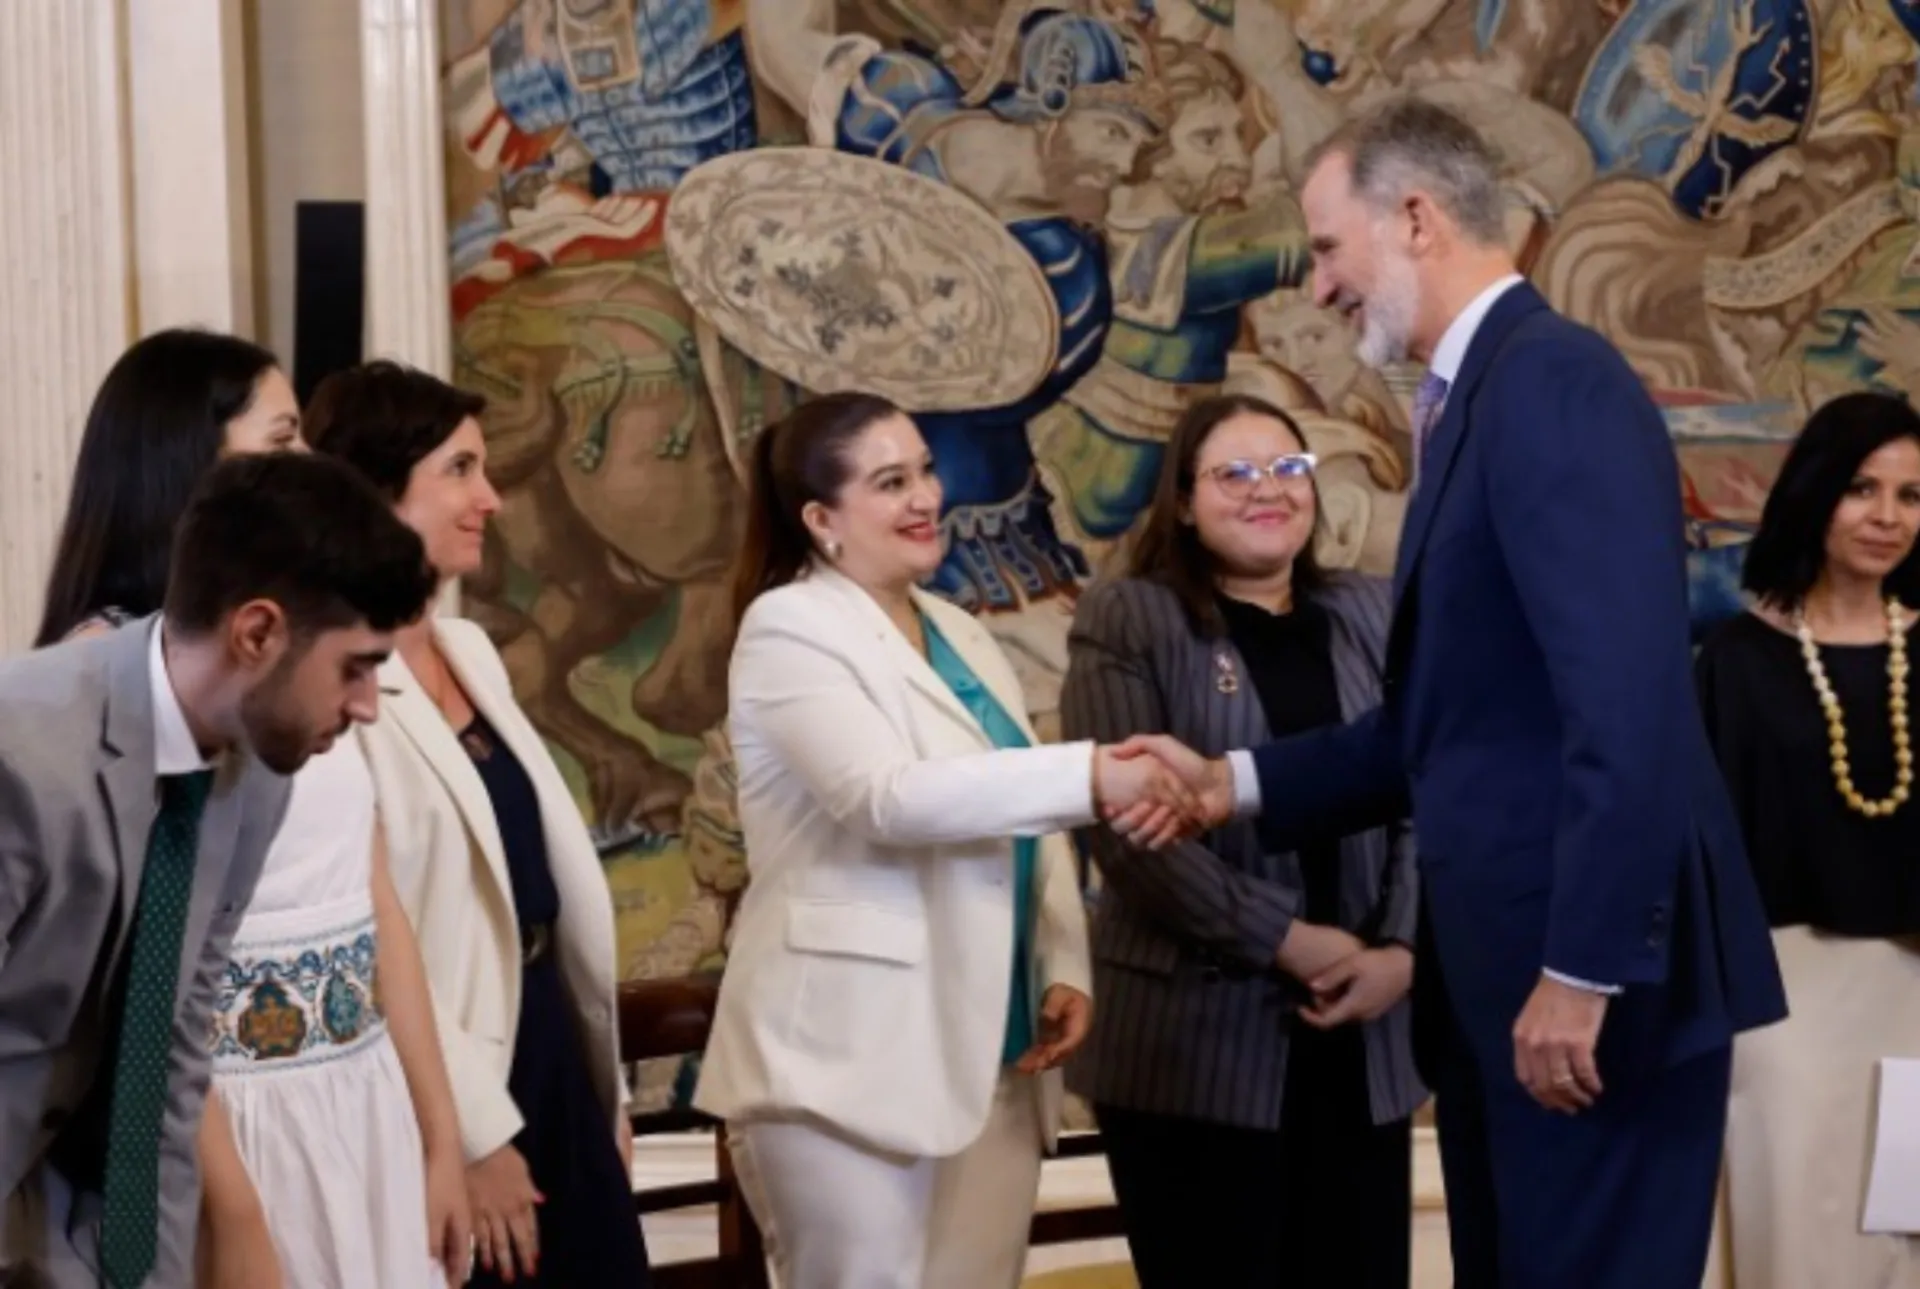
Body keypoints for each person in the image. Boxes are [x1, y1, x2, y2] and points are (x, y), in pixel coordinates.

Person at [1127, 99, 1786, 1289]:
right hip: (1515, 995)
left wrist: (1582, 973)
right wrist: (1228, 780)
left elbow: (1624, 708)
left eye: (1329, 246)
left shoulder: (1552, 388)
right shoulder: (1478, 397)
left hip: (1585, 996)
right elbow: (1450, 725)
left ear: (1417, 217)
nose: (1317, 283)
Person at [694, 390, 1198, 1289]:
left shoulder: (960, 628)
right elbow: (886, 798)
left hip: (995, 1049)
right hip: (846, 1062)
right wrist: (1091, 775)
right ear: (821, 519)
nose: (928, 495)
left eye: (925, 469)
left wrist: (1060, 958)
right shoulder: (789, 626)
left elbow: (1021, 816)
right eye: (891, 481)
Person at [34, 328, 472, 1289]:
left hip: (347, 1094)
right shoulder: (88, 710)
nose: (312, 462)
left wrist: (443, 1132)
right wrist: (234, 1217)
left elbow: (358, 903)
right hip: (204, 1128)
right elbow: (127, 1012)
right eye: (280, 440)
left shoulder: (285, 698)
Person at [1060, 392, 1424, 1288]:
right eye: (1236, 473)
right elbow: (1132, 834)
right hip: (1198, 1047)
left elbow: (1424, 787)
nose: (1271, 490)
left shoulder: (1374, 610)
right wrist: (1291, 940)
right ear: (1183, 501)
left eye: (1289, 469)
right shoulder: (1130, 618)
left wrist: (1403, 952)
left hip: (1366, 1033)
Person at [307, 361, 648, 1289]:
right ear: (380, 495)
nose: (489, 499)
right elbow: (377, 932)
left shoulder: (468, 648)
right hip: (454, 1072)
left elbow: (536, 877)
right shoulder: (337, 684)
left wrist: (600, 1088)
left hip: (547, 1043)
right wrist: (472, 1131)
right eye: (459, 471)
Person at [1696, 391, 1920, 1287]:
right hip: (1778, 1003)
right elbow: (1704, 851)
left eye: (1911, 495)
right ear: (1816, 492)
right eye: (1863, 488)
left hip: (1911, 997)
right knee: (1799, 1236)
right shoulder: (1737, 659)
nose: (1888, 516)